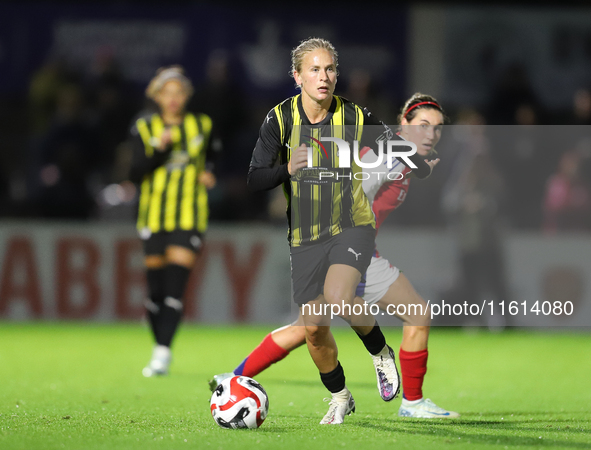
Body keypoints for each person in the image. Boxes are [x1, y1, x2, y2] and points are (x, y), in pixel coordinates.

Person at [211, 93, 459, 419]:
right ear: (403, 124)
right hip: (350, 252)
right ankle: (411, 401)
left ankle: (234, 377)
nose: (431, 134)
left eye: (438, 129)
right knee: (415, 315)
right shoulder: (391, 155)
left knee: (307, 328)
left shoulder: (402, 156)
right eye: (423, 125)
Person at [243, 38, 435, 424]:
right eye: (314, 69)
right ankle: (341, 395)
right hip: (305, 235)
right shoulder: (279, 119)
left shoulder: (353, 115)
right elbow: (254, 179)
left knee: (339, 296)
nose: (324, 76)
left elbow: (392, 144)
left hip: (352, 226)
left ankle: (381, 353)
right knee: (313, 329)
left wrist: (422, 164)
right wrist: (287, 170)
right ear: (297, 76)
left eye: (330, 68)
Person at [127, 66, 220, 377]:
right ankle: (161, 345)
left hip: (189, 215)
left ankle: (162, 353)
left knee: (173, 287)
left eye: (178, 93)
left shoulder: (201, 124)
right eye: (167, 93)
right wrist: (159, 150)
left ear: (186, 96)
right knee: (154, 293)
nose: (173, 99)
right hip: (153, 215)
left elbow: (215, 151)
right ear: (157, 96)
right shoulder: (143, 126)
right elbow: (134, 173)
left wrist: (209, 170)